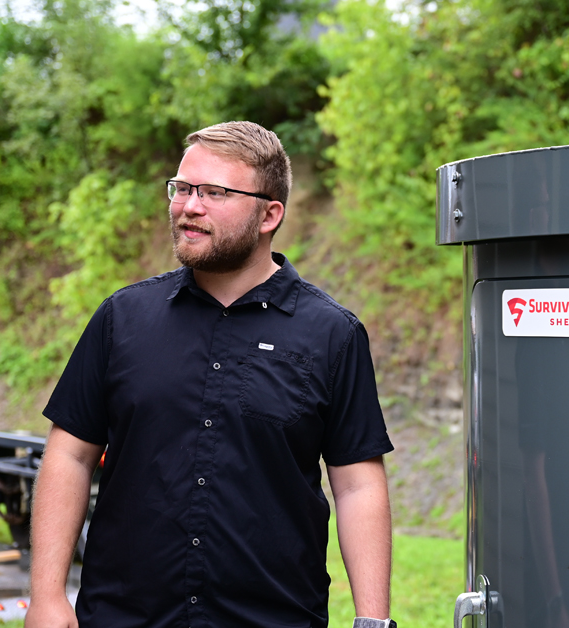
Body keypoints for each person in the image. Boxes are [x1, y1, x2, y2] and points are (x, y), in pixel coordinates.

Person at [24, 121, 396, 628]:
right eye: (182, 188)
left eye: (215, 192)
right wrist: (47, 595)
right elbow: (70, 452)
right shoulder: (122, 318)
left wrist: (373, 622)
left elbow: (357, 486)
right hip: (123, 617)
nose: (188, 206)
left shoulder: (332, 334)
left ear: (270, 214)